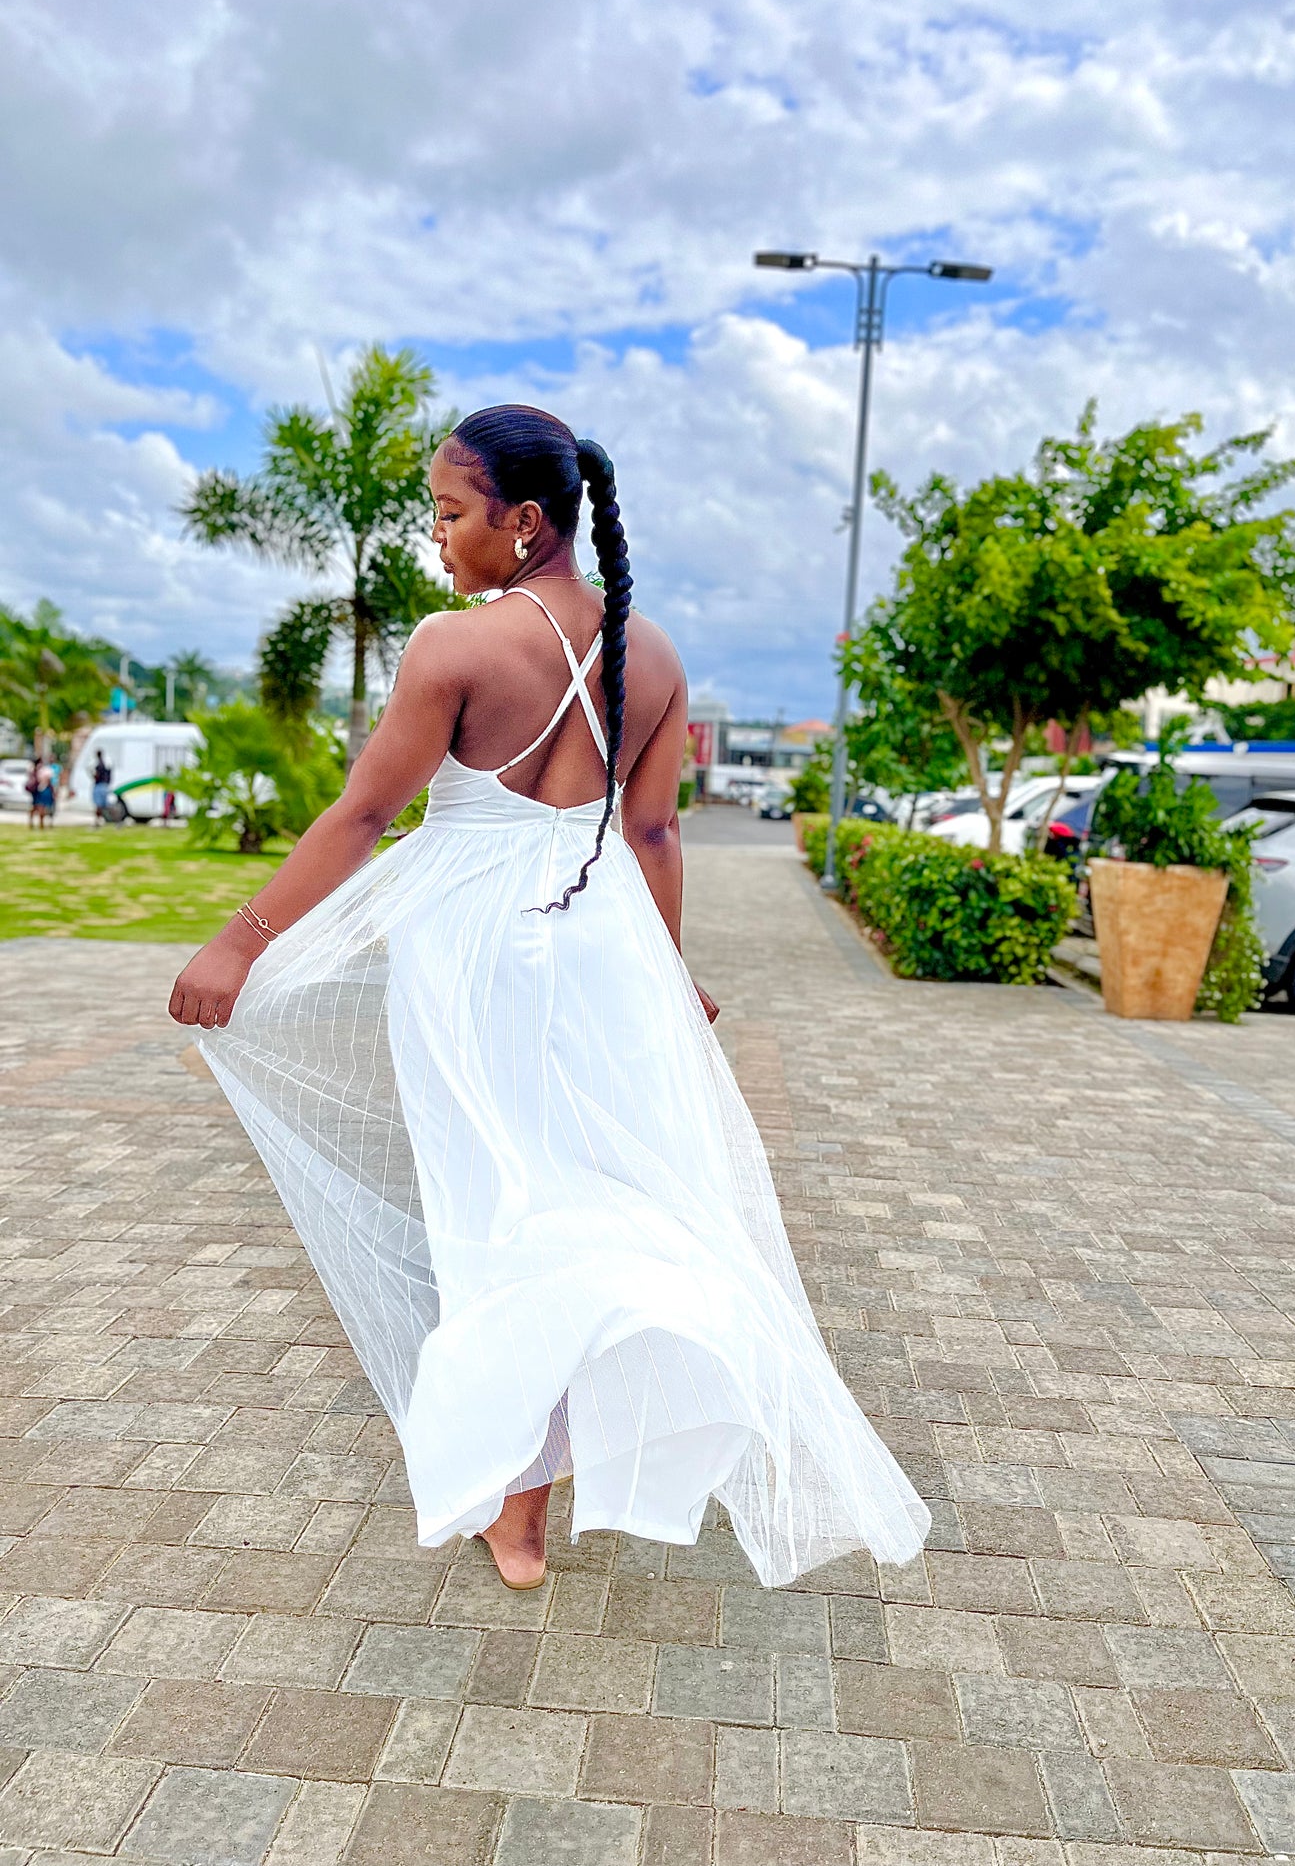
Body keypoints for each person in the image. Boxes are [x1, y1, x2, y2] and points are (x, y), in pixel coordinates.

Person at [168, 405, 927, 1591]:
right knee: (590, 1198)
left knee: (493, 1212)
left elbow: (365, 815)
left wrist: (239, 944)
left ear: (522, 523)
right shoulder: (657, 654)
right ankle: (552, 1464)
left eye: (451, 513)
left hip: (470, 954)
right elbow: (656, 832)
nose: (437, 537)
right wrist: (665, 980)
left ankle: (515, 1511)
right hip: (602, 945)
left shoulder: (454, 648)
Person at [27, 756, 54, 831]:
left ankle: (36, 823)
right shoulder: (40, 770)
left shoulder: (34, 770)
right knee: (40, 807)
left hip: (37, 790)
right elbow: (48, 781)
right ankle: (40, 824)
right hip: (41, 790)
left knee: (36, 807)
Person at [91, 750, 112, 826]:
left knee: (98, 805)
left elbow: (96, 776)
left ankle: (97, 821)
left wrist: (92, 774)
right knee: (106, 805)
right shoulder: (106, 764)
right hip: (105, 785)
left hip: (99, 785)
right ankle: (117, 820)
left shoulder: (98, 765)